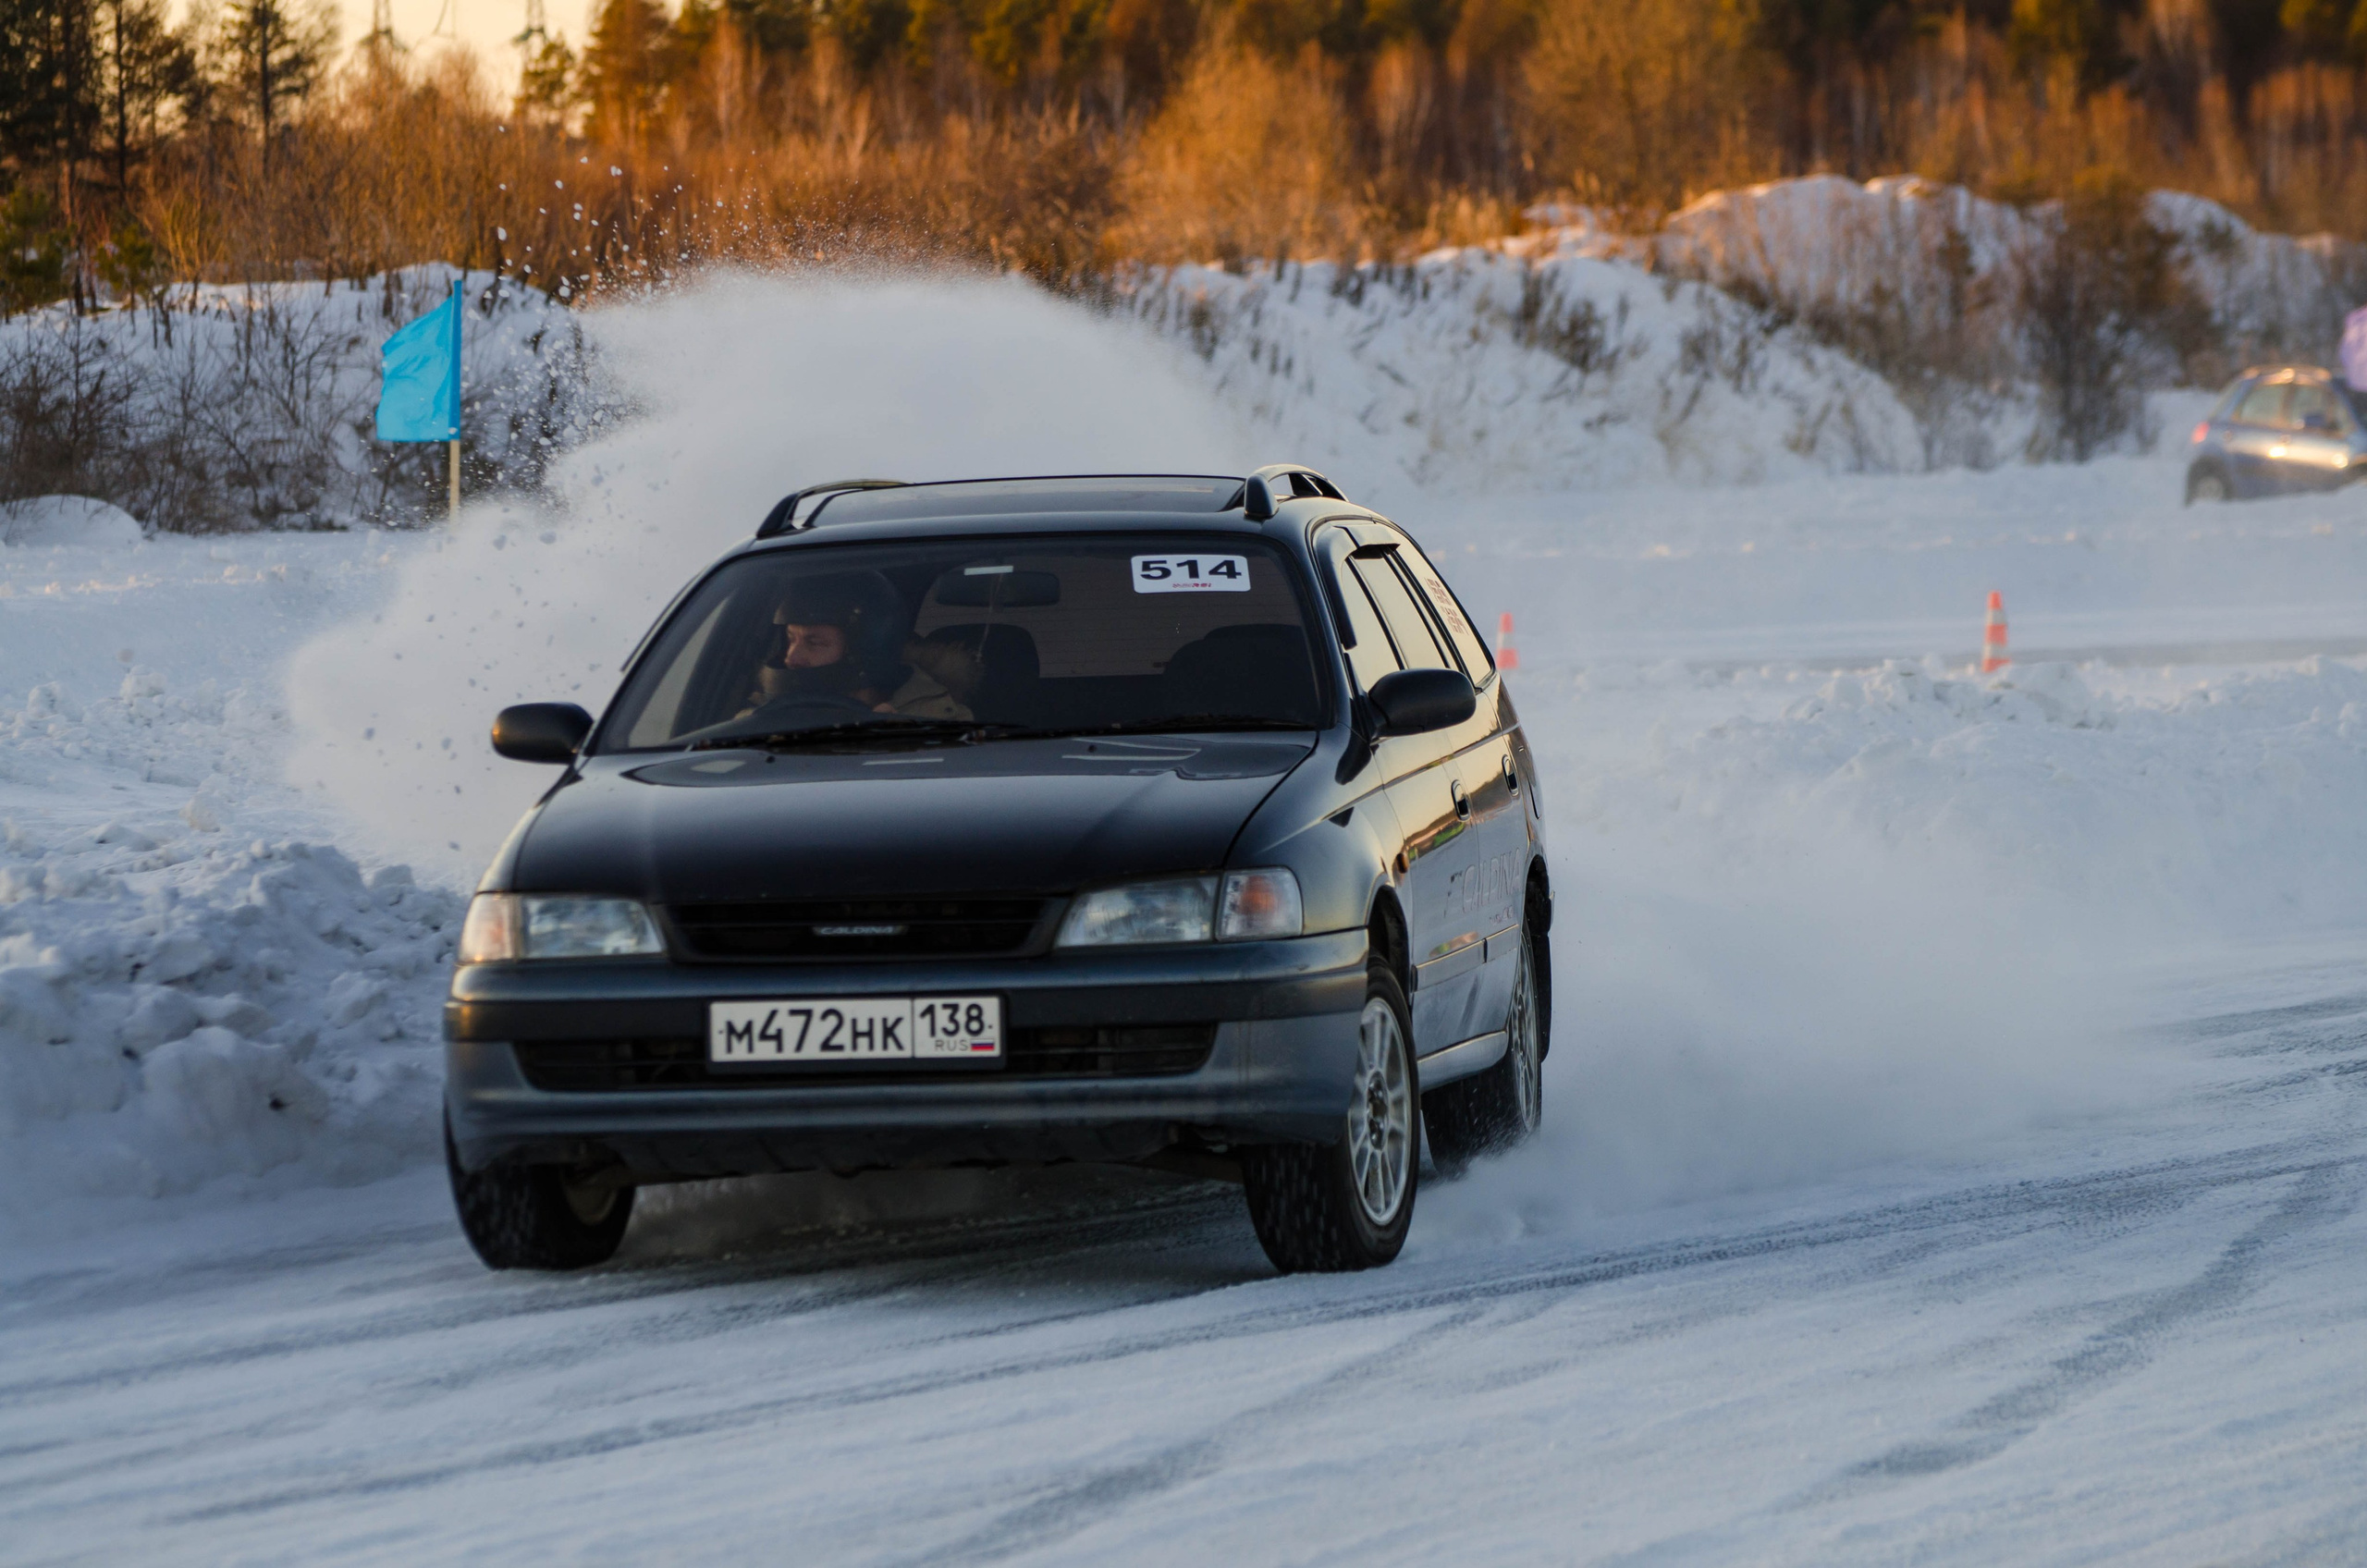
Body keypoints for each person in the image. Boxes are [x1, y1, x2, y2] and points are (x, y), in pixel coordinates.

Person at [741, 572, 971, 721]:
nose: (792, 657)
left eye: (815, 643)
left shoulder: (941, 721)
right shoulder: (760, 715)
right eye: (791, 639)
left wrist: (894, 744)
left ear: (868, 648)